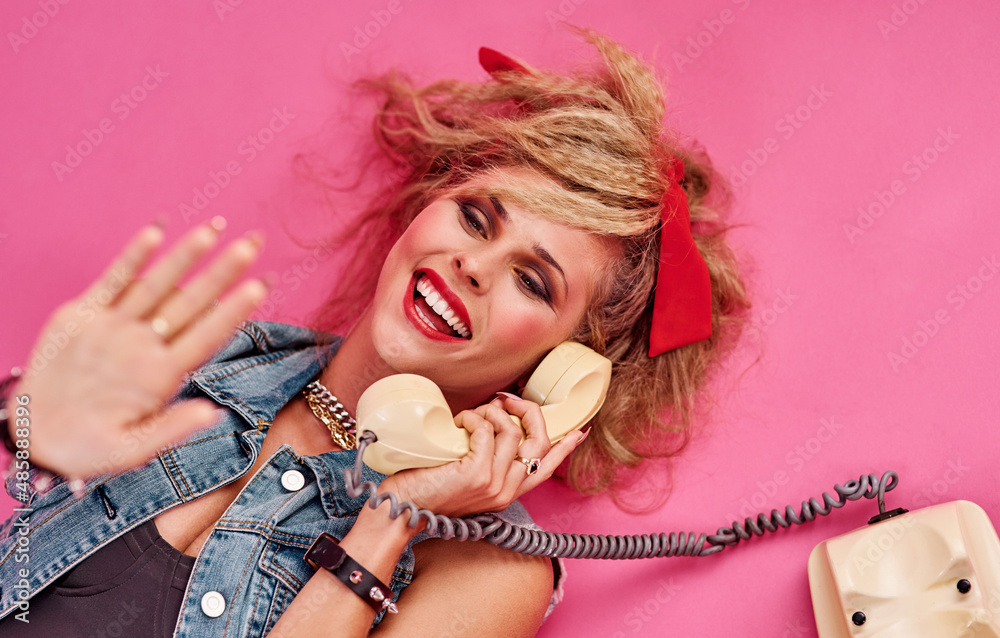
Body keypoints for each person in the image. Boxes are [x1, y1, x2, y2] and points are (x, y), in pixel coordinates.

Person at [0, 30, 747, 637]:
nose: (472, 265)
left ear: (567, 368)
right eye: (476, 217)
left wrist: (390, 523)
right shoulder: (212, 356)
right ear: (428, 207)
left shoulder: (487, 569)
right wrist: (21, 418)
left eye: (532, 280)